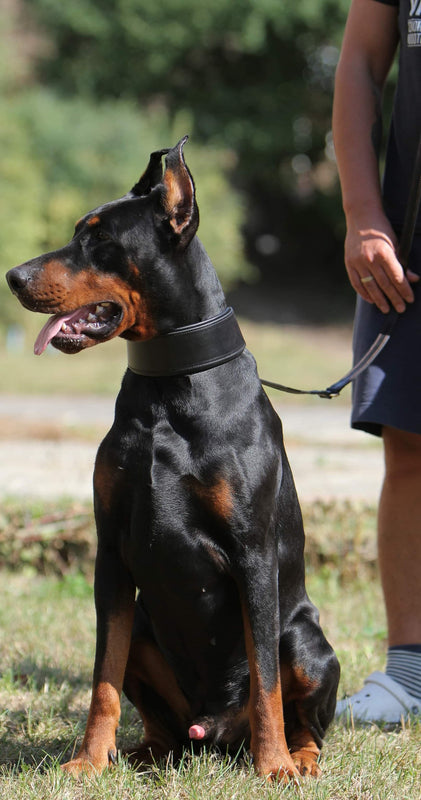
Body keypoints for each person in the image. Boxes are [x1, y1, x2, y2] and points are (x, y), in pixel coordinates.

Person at [332, 0, 421, 724]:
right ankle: (410, 674)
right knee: (410, 447)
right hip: (408, 241)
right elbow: (360, 61)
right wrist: (363, 211)